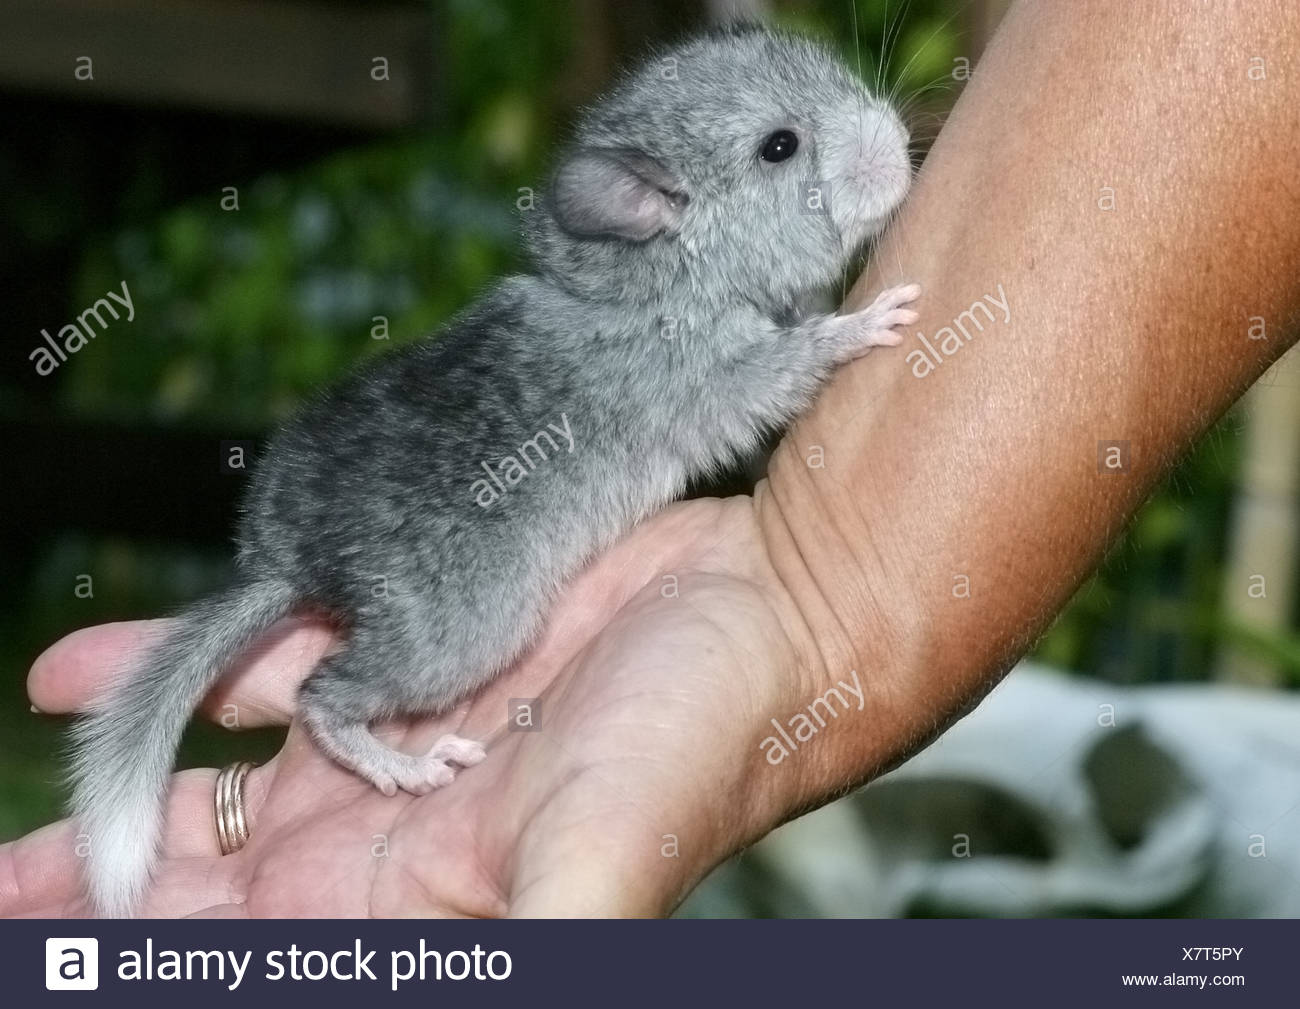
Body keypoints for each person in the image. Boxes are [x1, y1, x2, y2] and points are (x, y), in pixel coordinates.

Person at [4, 0, 1299, 917]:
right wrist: (836, 341)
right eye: (783, 154)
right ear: (657, 218)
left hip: (361, 485)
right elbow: (721, 403)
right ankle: (350, 712)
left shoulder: (622, 297)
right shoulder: (640, 335)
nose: (870, 140)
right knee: (467, 627)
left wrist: (821, 582)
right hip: (430, 534)